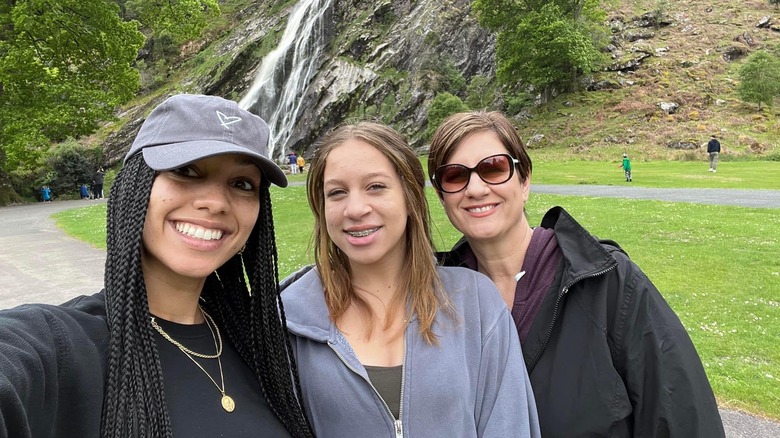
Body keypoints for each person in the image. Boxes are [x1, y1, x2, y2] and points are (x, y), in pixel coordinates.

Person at [0, 94, 313, 437]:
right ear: (134, 187)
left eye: (242, 184)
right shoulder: (58, 346)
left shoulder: (262, 348)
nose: (215, 203)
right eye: (185, 171)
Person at [428, 111, 725, 438]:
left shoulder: (608, 283)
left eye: (493, 168)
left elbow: (684, 418)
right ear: (442, 196)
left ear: (524, 180)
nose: (475, 188)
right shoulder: (433, 301)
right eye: (455, 176)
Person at [280, 122, 540, 437]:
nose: (356, 209)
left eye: (375, 186)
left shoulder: (475, 302)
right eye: (337, 192)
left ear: (410, 196)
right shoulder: (288, 320)